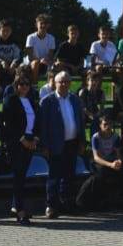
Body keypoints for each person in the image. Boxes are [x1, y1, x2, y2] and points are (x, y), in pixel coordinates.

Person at [38, 71, 85, 219]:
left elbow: (81, 123)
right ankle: (51, 206)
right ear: (55, 83)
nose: (64, 84)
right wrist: (44, 146)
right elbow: (43, 127)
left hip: (72, 143)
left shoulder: (76, 100)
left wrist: (82, 141)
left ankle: (67, 204)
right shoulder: (47, 101)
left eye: (67, 82)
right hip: (55, 145)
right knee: (54, 177)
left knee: (69, 176)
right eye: (61, 82)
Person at [2, 76, 40, 225]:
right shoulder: (11, 100)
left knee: (23, 176)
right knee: (18, 176)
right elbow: (9, 123)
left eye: (27, 84)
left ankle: (15, 206)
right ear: (16, 85)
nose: (24, 87)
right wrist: (22, 139)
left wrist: (35, 138)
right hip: (17, 142)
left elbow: (37, 121)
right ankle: (20, 210)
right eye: (21, 84)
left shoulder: (31, 101)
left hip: (31, 140)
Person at [0, 19, 22, 96]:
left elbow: (18, 56)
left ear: (11, 31)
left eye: (8, 31)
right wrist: (2, 62)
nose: (6, 33)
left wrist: (14, 64)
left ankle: (17, 90)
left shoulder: (15, 42)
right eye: (3, 31)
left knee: (21, 68)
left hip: (11, 65)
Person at [25, 14, 56, 83]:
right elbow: (30, 57)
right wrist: (40, 61)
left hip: (45, 63)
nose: (43, 26)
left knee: (57, 65)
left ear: (48, 25)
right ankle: (35, 85)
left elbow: (51, 55)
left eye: (45, 24)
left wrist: (47, 60)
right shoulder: (30, 37)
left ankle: (50, 88)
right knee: (35, 63)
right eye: (41, 23)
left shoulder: (51, 38)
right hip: (31, 63)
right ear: (36, 25)